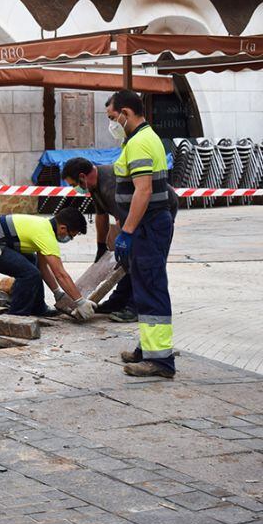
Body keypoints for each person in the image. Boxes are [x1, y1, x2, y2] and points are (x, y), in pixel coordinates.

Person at [105, 89, 176, 379]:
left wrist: (128, 231)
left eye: (113, 117)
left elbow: (143, 191)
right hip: (150, 225)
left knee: (151, 287)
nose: (112, 124)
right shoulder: (144, 138)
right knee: (145, 287)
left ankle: (160, 361)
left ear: (126, 113)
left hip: (147, 227)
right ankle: (148, 349)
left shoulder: (140, 143)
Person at [61, 156, 178, 323]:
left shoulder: (110, 183)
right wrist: (101, 247)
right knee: (126, 260)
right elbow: (101, 216)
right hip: (135, 214)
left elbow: (122, 219)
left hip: (159, 209)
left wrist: (124, 237)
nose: (75, 189)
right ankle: (119, 300)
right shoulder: (93, 185)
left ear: (82, 177)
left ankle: (135, 307)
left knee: (140, 260)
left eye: (74, 185)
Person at [0, 208, 92, 318]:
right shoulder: (45, 236)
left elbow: (42, 267)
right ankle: (16, 315)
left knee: (33, 262)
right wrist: (80, 302)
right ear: (63, 228)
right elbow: (60, 274)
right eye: (71, 236)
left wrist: (57, 293)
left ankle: (38, 308)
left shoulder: (44, 226)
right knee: (30, 274)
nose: (69, 239)